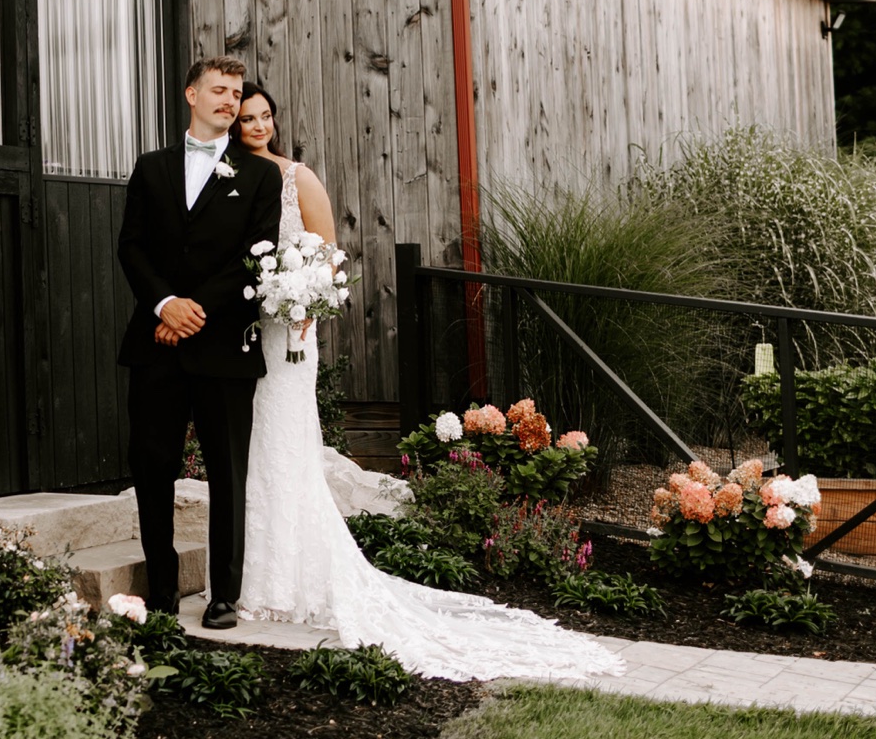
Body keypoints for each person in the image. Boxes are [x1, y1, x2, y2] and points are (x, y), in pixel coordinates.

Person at [230, 82, 623, 681]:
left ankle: (287, 580)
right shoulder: (227, 175)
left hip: (292, 334)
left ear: (275, 121)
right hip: (247, 328)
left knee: (284, 446)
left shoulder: (296, 178)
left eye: (265, 116)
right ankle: (251, 574)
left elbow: (330, 254)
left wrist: (307, 299)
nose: (257, 125)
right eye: (247, 118)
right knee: (252, 448)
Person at [116, 56, 283, 630]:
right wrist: (165, 305)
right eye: (219, 90)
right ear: (191, 94)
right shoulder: (151, 167)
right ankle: (161, 589)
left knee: (226, 471)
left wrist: (192, 313)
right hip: (155, 344)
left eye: (236, 94)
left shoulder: (261, 177)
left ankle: (224, 595)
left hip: (222, 348)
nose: (230, 102)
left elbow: (255, 260)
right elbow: (132, 248)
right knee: (153, 465)